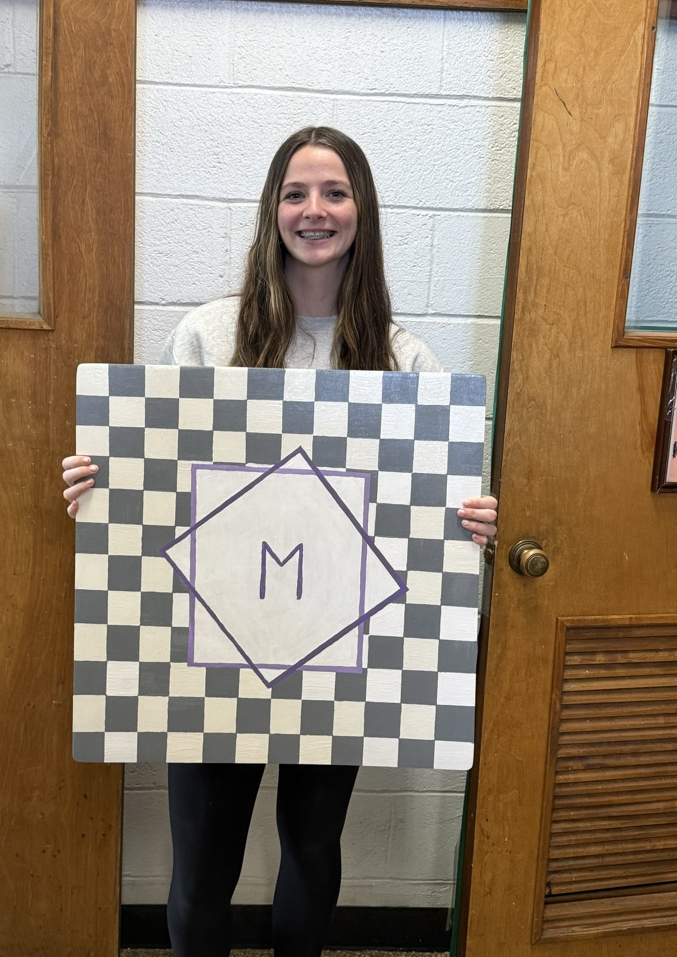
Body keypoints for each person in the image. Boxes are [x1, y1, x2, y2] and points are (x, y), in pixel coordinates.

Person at [62, 127, 497, 957]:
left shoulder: (406, 364)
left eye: (334, 192)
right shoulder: (205, 338)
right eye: (296, 193)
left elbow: (437, 509)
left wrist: (471, 522)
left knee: (312, 850)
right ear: (272, 211)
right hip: (210, 650)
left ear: (361, 211)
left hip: (342, 652)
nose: (314, 210)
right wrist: (98, 486)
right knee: (202, 866)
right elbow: (150, 483)